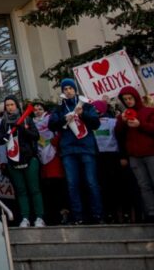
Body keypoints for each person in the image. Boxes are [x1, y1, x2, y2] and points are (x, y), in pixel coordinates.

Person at [49, 78, 102, 224]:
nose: (68, 91)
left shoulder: (86, 105)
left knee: (91, 182)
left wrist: (82, 114)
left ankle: (97, 214)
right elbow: (51, 125)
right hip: (68, 150)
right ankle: (78, 215)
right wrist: (64, 120)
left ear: (75, 90)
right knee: (72, 183)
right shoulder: (59, 107)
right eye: (65, 89)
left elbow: (96, 123)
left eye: (70, 88)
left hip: (86, 148)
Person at [116, 86, 154, 221]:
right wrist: (122, 122)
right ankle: (152, 213)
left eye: (130, 98)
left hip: (152, 153)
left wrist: (140, 125)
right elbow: (118, 134)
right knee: (143, 185)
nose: (128, 101)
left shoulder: (149, 111)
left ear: (136, 97)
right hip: (135, 156)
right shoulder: (123, 116)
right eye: (125, 99)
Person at [0, 96, 44, 227]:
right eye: (7, 105)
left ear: (17, 105)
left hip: (29, 159)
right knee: (21, 190)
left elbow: (36, 136)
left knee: (34, 189)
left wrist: (23, 129)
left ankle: (39, 217)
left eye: (12, 104)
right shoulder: (4, 122)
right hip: (13, 160)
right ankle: (25, 218)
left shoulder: (26, 119)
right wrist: (4, 137)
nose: (10, 107)